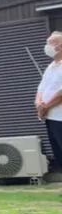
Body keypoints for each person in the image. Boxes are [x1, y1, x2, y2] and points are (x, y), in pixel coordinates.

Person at [36, 31, 62, 165]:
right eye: (47, 43)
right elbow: (41, 89)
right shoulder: (50, 67)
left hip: (60, 117)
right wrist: (39, 105)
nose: (48, 46)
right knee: (58, 154)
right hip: (50, 118)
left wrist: (45, 106)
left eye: (52, 43)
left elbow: (60, 93)